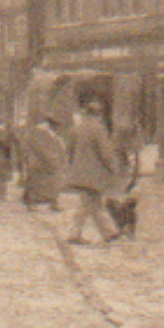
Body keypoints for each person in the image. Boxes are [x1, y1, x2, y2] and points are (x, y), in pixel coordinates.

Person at [63, 103, 123, 245]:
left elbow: (69, 151)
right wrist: (113, 167)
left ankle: (109, 232)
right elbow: (105, 153)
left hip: (79, 173)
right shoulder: (98, 129)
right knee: (88, 204)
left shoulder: (75, 129)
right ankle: (75, 233)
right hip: (94, 174)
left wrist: (73, 167)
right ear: (98, 114)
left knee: (92, 203)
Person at [22, 117, 66, 210]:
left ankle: (53, 203)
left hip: (46, 162)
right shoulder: (37, 133)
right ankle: (33, 204)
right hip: (39, 163)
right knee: (36, 184)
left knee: (52, 183)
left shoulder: (48, 134)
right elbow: (41, 149)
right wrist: (51, 159)